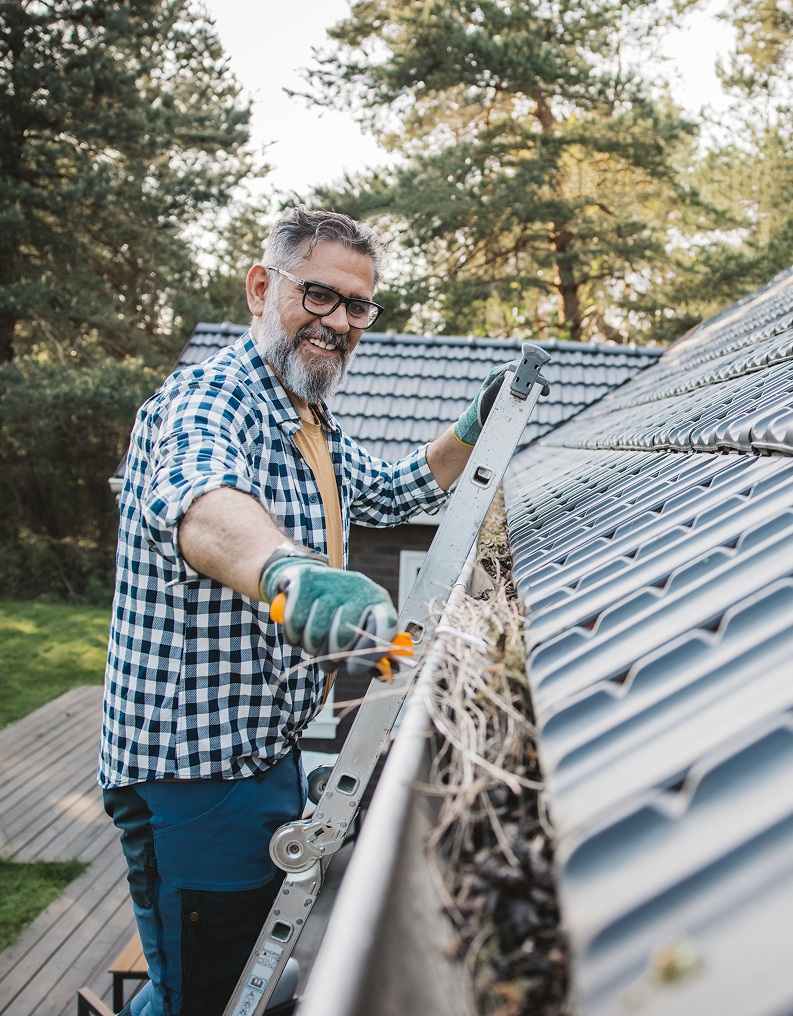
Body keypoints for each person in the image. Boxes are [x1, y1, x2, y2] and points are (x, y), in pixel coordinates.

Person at [99, 208, 519, 1016]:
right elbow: (200, 500)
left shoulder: (308, 416)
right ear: (263, 287)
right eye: (318, 296)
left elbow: (395, 488)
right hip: (195, 773)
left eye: (357, 306)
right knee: (206, 996)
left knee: (231, 975)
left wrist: (473, 426)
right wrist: (291, 577)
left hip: (262, 755)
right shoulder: (209, 400)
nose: (338, 323)